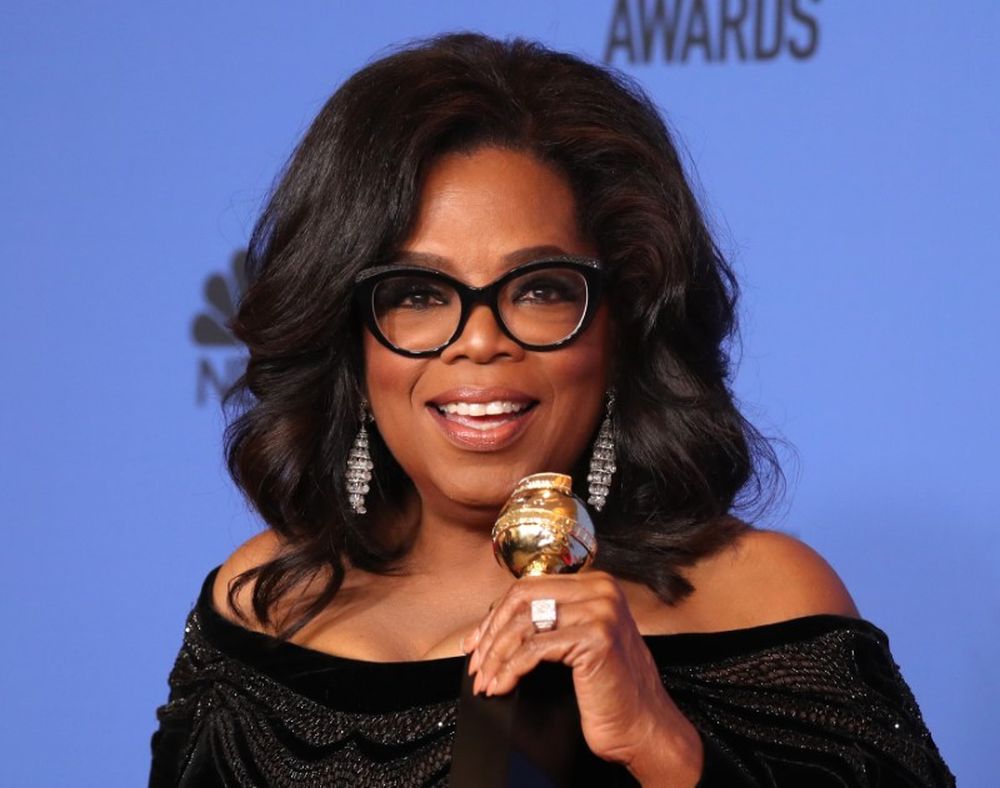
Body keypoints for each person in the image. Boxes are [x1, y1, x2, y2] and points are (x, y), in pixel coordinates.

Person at [149, 32, 954, 787]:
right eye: (418, 294)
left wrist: (665, 747)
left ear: (621, 328)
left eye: (539, 289)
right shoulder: (264, 601)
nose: (479, 342)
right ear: (351, 344)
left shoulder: (767, 599)